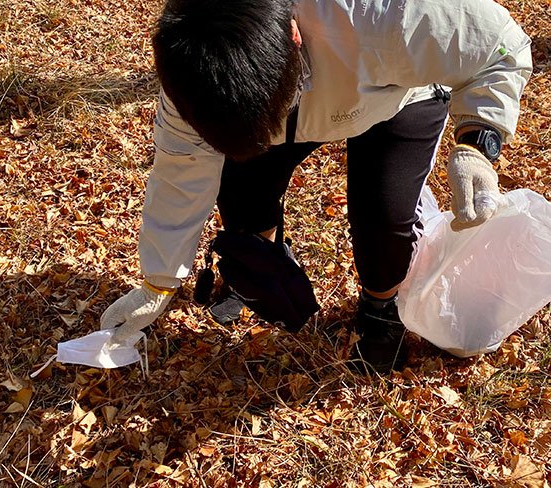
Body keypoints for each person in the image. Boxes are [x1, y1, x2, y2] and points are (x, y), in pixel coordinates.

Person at [99, 0, 532, 373]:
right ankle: (257, 273)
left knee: (383, 218)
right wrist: (158, 281)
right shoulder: (192, 68)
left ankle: (380, 310)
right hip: (270, 104)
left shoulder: (386, 15)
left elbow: (500, 48)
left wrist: (478, 140)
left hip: (396, 95)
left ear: (293, 34)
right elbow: (180, 173)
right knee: (240, 191)